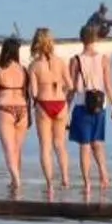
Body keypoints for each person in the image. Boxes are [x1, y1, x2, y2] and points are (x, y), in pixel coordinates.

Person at [68, 24, 112, 196]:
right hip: (100, 105)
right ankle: (104, 175)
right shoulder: (104, 59)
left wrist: (66, 109)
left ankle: (87, 183)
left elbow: (72, 88)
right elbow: (109, 85)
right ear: (96, 39)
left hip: (82, 105)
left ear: (81, 39)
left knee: (84, 146)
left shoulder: (75, 60)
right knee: (98, 143)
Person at [27, 27, 73, 194]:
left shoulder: (34, 65)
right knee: (60, 145)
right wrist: (61, 91)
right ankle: (65, 178)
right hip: (60, 104)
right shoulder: (60, 62)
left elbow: (33, 92)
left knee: (45, 147)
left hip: (43, 105)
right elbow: (70, 85)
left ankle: (50, 185)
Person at [0, 36, 31, 192]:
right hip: (22, 109)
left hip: (4, 109)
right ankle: (15, 179)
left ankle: (16, 180)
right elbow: (29, 92)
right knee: (17, 149)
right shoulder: (23, 69)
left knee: (9, 149)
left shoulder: (0, 69)